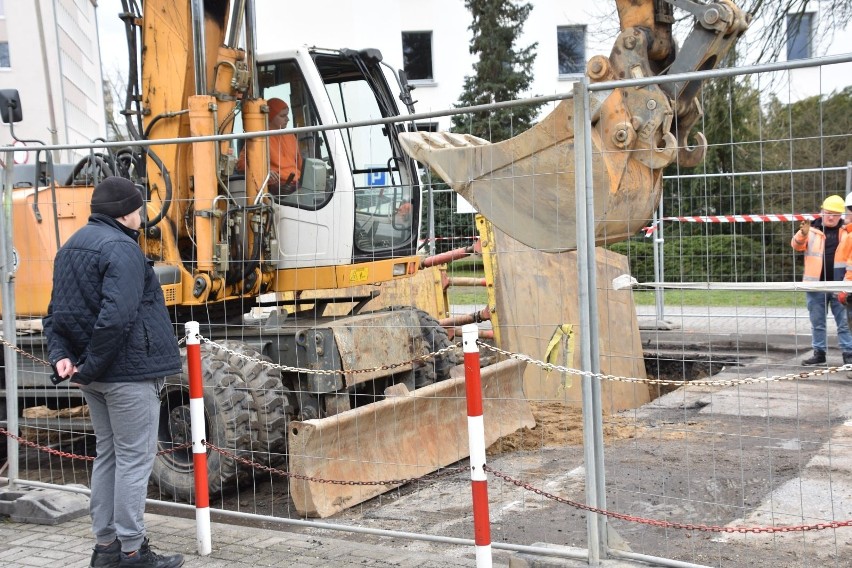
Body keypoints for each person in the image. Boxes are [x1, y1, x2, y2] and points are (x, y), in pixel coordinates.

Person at [42, 177, 184, 568]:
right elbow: (116, 318)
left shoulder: (70, 247)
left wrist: (64, 358)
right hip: (126, 374)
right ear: (126, 212)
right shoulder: (122, 248)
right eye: (138, 208)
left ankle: (106, 549)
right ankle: (133, 551)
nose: (141, 215)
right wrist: (90, 364)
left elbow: (55, 315)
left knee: (108, 455)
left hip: (97, 375)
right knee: (135, 459)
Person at [791, 194, 852, 366]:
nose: (831, 217)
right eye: (827, 213)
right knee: (818, 322)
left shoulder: (847, 231)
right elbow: (796, 246)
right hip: (816, 285)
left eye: (835, 214)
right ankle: (819, 353)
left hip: (840, 285)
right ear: (821, 211)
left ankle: (849, 355)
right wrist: (802, 234)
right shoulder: (811, 230)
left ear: (841, 215)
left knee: (845, 323)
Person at [236, 97, 303, 195]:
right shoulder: (259, 138)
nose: (287, 119)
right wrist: (265, 172)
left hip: (297, 184)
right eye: (282, 116)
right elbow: (241, 165)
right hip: (274, 188)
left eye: (287, 115)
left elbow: (299, 163)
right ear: (271, 116)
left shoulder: (291, 135)